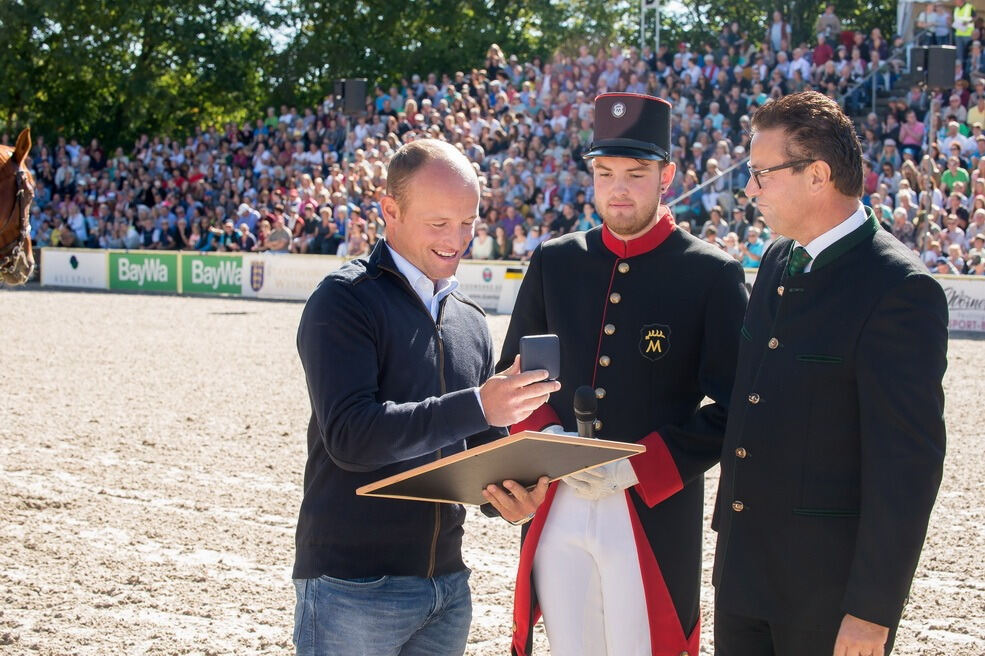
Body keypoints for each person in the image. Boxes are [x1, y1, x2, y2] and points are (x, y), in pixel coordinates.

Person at [496, 93, 748, 656]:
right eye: (605, 173)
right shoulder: (554, 262)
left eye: (637, 173)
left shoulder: (711, 274)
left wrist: (641, 466)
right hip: (557, 501)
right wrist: (551, 444)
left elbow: (738, 410)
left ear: (668, 175)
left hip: (650, 513)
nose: (619, 189)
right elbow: (515, 376)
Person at [292, 138, 560, 656]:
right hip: (352, 587)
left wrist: (514, 496)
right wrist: (480, 404)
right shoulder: (343, 301)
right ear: (389, 210)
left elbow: (481, 454)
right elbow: (352, 436)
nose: (456, 240)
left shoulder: (470, 319)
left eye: (468, 223)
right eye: (439, 223)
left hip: (448, 588)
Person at [713, 91, 947, 656]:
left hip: (826, 602)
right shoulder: (775, 261)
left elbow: (906, 468)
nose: (749, 190)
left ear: (816, 175)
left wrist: (871, 611)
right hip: (743, 581)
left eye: (760, 174)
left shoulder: (899, 289)